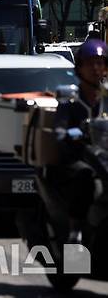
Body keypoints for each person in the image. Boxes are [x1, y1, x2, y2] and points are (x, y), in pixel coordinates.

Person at [52, 39, 106, 243]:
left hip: (103, 157)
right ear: (80, 67)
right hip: (78, 157)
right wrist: (73, 133)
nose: (95, 68)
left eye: (100, 63)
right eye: (90, 63)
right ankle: (76, 232)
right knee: (85, 177)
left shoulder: (107, 100)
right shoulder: (70, 100)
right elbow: (59, 130)